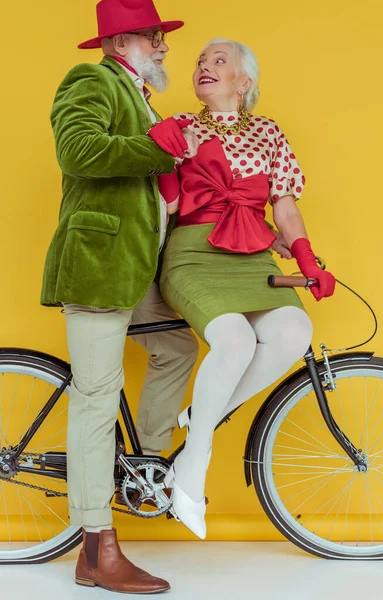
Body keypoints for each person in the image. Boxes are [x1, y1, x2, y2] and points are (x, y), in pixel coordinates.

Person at [40, 0, 200, 593]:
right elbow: (77, 152)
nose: (163, 47)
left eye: (161, 37)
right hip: (99, 263)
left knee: (178, 347)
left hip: (133, 268)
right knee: (96, 400)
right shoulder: (90, 79)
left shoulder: (138, 92)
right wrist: (161, 148)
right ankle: (94, 550)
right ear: (119, 43)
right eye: (153, 37)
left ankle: (144, 471)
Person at [158, 38, 336, 540]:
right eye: (199, 61)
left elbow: (284, 205)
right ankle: (193, 467)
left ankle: (202, 415)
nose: (203, 67)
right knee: (234, 340)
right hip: (193, 253)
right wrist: (168, 164)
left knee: (294, 331)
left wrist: (306, 258)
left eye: (219, 61)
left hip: (252, 255)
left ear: (243, 83)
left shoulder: (269, 133)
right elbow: (165, 209)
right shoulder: (180, 126)